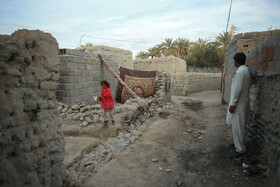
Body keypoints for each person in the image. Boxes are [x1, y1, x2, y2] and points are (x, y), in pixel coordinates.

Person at [226, 52, 251, 158]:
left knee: (238, 125)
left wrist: (233, 104)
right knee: (238, 125)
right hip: (242, 102)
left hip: (239, 104)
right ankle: (237, 143)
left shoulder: (240, 72)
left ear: (236, 61)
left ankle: (240, 149)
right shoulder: (245, 70)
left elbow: (237, 89)